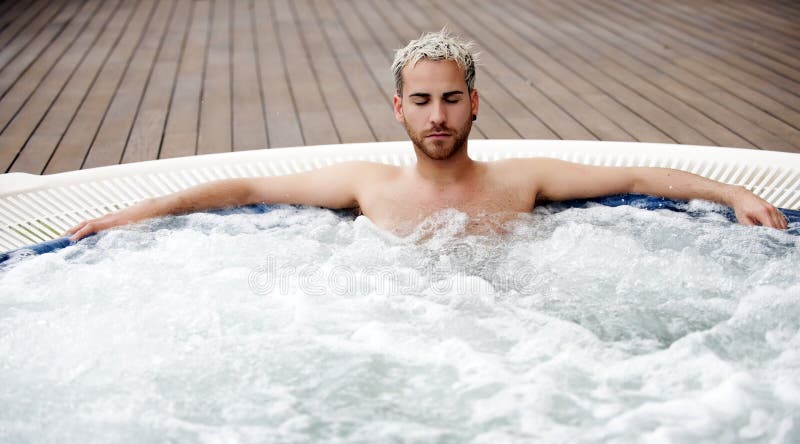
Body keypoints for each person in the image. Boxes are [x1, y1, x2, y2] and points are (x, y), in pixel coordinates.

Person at [66, 30, 787, 241]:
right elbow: (246, 188)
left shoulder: (523, 180)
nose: (436, 115)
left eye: (450, 99)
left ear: (474, 104)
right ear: (398, 109)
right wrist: (129, 216)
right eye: (421, 101)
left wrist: (731, 193)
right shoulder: (367, 187)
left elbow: (632, 180)